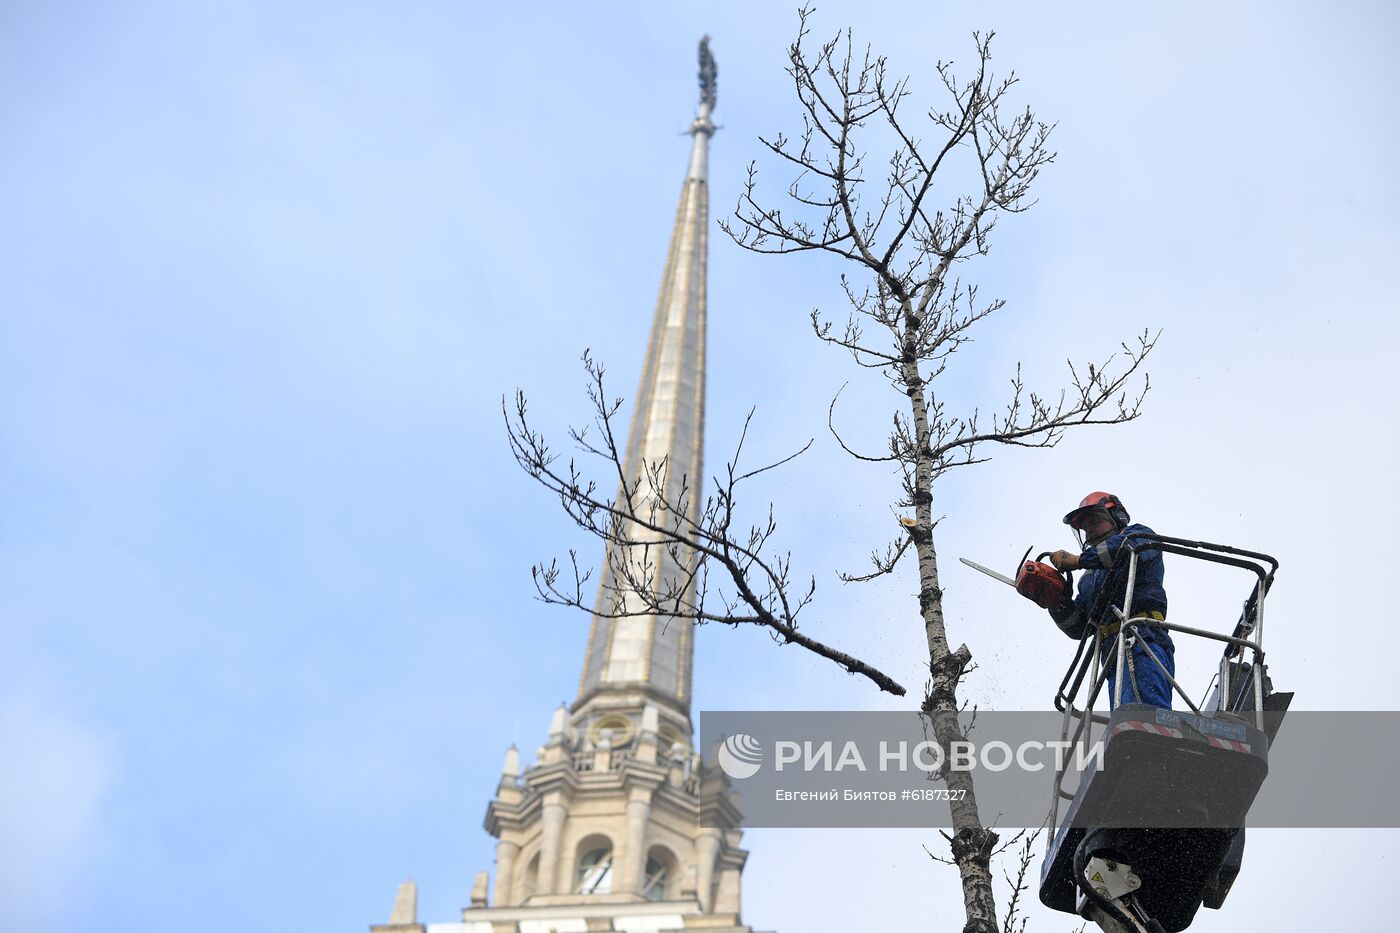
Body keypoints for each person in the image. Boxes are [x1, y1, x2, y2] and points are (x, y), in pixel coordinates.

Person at [1040, 492, 1174, 709]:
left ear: (1117, 515)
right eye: (1084, 527)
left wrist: (1079, 560)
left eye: (1094, 520)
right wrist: (1055, 601)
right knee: (1126, 716)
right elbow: (1079, 627)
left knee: (1146, 713)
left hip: (1142, 637)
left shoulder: (1139, 536)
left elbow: (1123, 550)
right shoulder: (1089, 580)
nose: (1089, 529)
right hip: (1111, 652)